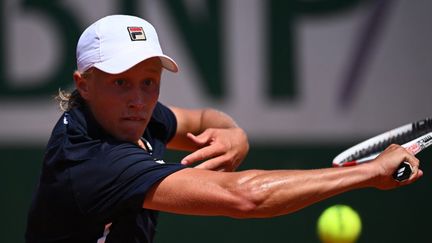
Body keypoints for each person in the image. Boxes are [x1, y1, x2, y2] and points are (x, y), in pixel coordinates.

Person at [25, 15, 422, 243]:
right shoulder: (92, 161)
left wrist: (235, 133)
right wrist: (368, 173)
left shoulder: (126, 115)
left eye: (148, 81)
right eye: (120, 82)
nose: (139, 99)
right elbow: (244, 198)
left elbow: (201, 121)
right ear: (83, 84)